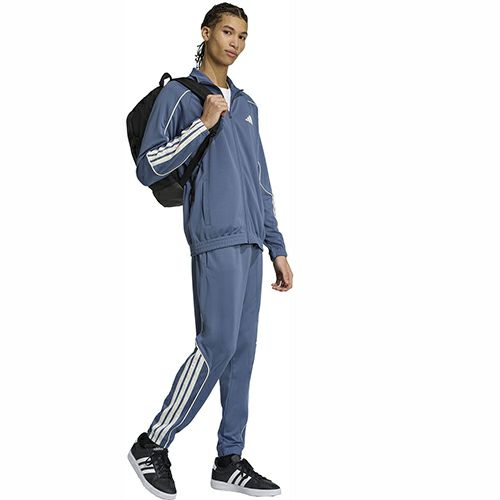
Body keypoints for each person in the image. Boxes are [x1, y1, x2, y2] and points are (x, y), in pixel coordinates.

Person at [128, 3, 293, 498]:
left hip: (251, 243)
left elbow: (260, 181)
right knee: (216, 344)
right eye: (227, 31)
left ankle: (229, 460)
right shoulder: (180, 94)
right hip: (214, 236)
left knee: (241, 354)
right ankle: (152, 443)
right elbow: (148, 167)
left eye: (242, 35)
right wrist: (202, 123)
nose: (235, 43)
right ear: (206, 33)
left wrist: (277, 246)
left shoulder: (248, 105)